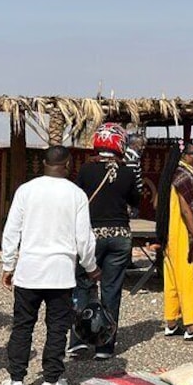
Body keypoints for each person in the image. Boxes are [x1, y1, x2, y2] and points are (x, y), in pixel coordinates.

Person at [0, 146, 98, 385]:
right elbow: (84, 238)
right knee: (56, 328)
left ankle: (16, 381)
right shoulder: (76, 195)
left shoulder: (26, 190)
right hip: (61, 273)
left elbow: (12, 231)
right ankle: (51, 381)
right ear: (68, 164)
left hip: (29, 271)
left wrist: (8, 265)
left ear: (43, 163)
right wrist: (91, 267)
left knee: (22, 326)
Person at [68, 123, 141, 360]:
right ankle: (104, 345)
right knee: (112, 291)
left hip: (92, 236)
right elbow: (136, 201)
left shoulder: (86, 171)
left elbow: (78, 201)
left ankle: (79, 340)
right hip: (120, 238)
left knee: (84, 285)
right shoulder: (128, 172)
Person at [156, 142, 193, 342]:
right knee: (191, 280)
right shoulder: (184, 177)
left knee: (172, 280)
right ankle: (191, 327)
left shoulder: (171, 176)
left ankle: (171, 324)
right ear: (184, 156)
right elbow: (187, 210)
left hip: (170, 237)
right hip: (184, 238)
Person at [124, 133, 146, 218]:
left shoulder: (130, 157)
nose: (143, 147)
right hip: (130, 199)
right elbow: (130, 181)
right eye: (141, 145)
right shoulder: (131, 158)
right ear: (134, 145)